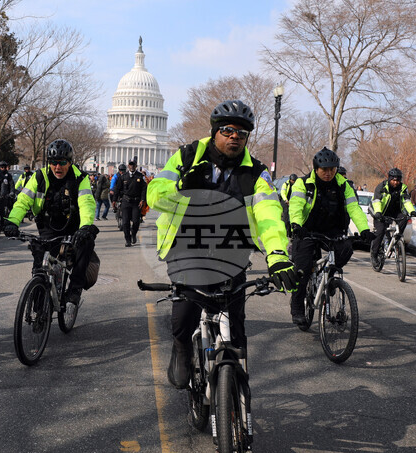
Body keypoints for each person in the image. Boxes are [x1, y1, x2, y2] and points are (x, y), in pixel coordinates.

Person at [147, 99, 296, 389]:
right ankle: (181, 348)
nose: (235, 138)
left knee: (236, 329)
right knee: (185, 314)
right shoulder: (187, 156)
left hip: (231, 252)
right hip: (186, 248)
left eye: (242, 134)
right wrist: (179, 189)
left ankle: (236, 389)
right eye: (228, 131)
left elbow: (268, 215)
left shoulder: (256, 172)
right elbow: (155, 195)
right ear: (215, 131)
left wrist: (277, 255)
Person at [3, 139, 98, 306]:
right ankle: (39, 307)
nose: (57, 167)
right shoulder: (39, 176)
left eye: (62, 162)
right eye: (54, 162)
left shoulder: (80, 178)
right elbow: (23, 200)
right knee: (40, 265)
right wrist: (12, 222)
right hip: (48, 227)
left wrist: (85, 227)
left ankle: (75, 288)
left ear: (70, 162)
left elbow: (87, 205)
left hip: (73, 228)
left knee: (87, 242)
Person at [287, 147, 370, 327]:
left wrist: (364, 229)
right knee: (302, 268)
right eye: (324, 170)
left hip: (333, 230)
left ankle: (330, 277)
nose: (328, 173)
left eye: (332, 169)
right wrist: (296, 225)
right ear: (316, 169)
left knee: (346, 248)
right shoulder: (303, 184)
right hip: (307, 230)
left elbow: (354, 208)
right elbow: (296, 205)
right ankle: (297, 307)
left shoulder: (343, 185)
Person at [369, 168, 416, 269]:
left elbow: (406, 201)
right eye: (393, 180)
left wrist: (412, 211)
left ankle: (397, 238)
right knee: (380, 231)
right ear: (389, 179)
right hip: (380, 211)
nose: (395, 182)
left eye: (397, 180)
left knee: (404, 218)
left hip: (395, 211)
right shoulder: (381, 187)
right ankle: (374, 255)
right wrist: (378, 213)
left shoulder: (403, 188)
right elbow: (377, 201)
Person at [114, 158, 146, 246]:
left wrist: (142, 200)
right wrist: (114, 201)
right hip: (126, 201)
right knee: (125, 222)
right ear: (128, 166)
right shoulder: (123, 176)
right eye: (130, 165)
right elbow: (117, 189)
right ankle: (127, 239)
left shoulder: (140, 176)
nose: (132, 166)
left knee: (136, 221)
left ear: (136, 166)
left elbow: (144, 189)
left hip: (136, 202)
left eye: (133, 165)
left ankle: (134, 234)